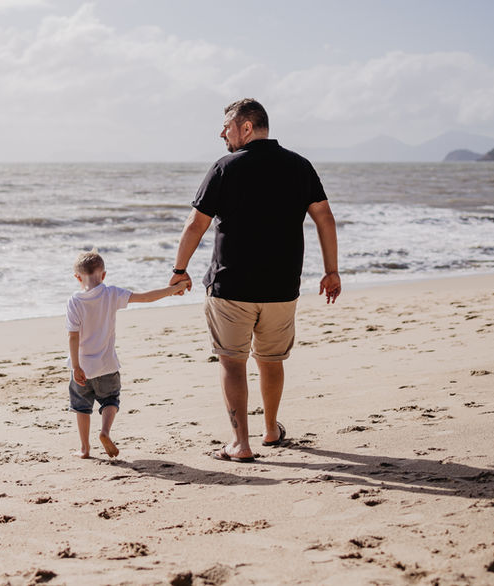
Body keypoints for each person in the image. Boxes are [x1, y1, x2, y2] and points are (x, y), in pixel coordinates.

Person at [169, 98, 341, 463]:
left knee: (232, 362)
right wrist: (331, 271)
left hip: (231, 287)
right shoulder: (299, 165)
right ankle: (271, 429)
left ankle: (240, 443)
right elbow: (325, 218)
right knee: (271, 360)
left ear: (246, 127)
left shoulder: (225, 168)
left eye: (227, 126)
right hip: (281, 288)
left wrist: (179, 269)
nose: (222, 133)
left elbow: (196, 224)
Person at [67, 250, 185, 459]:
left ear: (77, 277)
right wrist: (173, 289)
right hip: (107, 365)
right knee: (110, 400)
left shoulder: (74, 301)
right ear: (103, 275)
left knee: (81, 407)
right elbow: (146, 297)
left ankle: (85, 449)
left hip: (82, 367)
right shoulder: (111, 293)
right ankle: (105, 432)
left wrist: (76, 366)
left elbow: (73, 337)